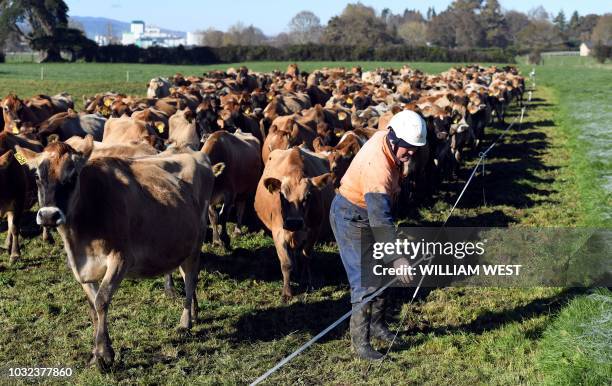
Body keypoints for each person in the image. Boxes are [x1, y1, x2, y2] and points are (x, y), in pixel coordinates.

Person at [329, 110, 427, 360]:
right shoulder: (378, 169)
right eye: (407, 148)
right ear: (394, 141)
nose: (412, 153)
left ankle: (377, 325)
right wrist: (397, 257)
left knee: (382, 272)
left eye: (415, 148)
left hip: (369, 213)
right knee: (365, 280)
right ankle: (361, 345)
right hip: (351, 217)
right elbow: (379, 218)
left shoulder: (388, 138)